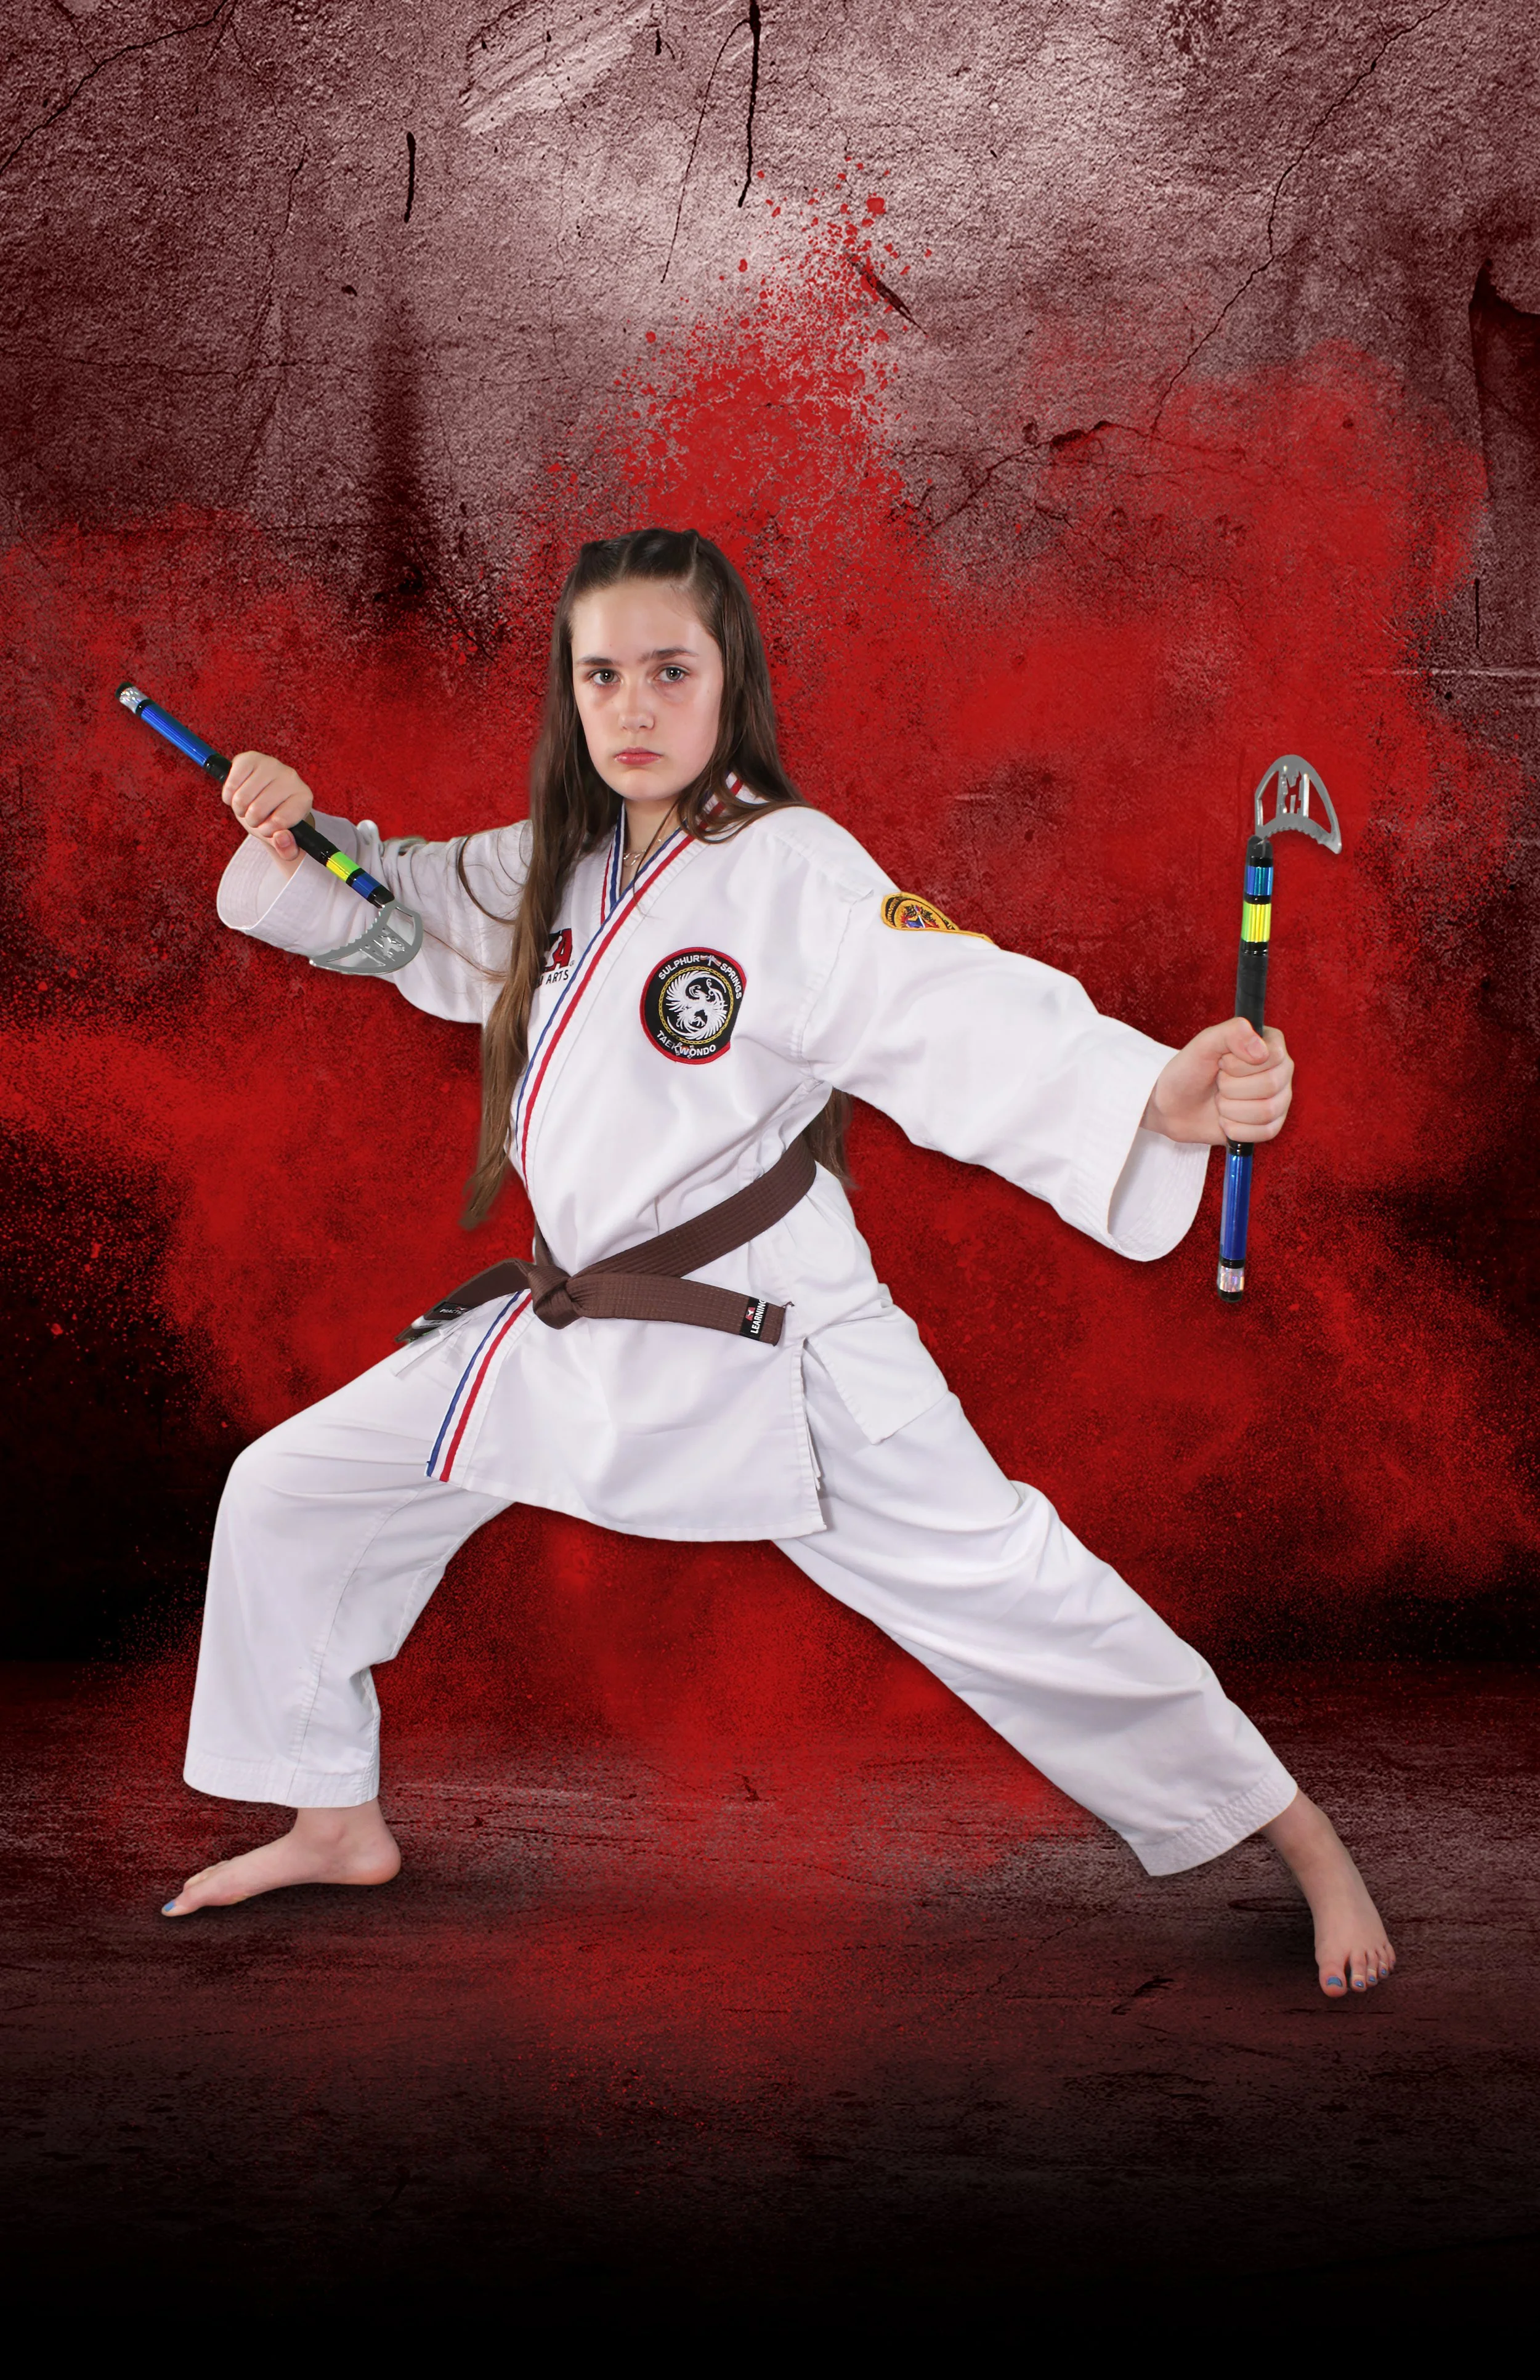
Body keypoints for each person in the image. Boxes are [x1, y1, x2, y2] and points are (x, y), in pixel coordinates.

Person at [162, 527, 1393, 2001]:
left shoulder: (788, 869)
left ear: (724, 681)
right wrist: (294, 828)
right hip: (575, 1326)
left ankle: (1302, 1839)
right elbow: (392, 907)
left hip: (775, 1337)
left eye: (666, 672)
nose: (631, 707)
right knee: (295, 1487)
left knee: (1005, 1584)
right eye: (601, 673)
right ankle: (333, 1817)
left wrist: (1160, 1093)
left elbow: (948, 999)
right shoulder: (549, 865)